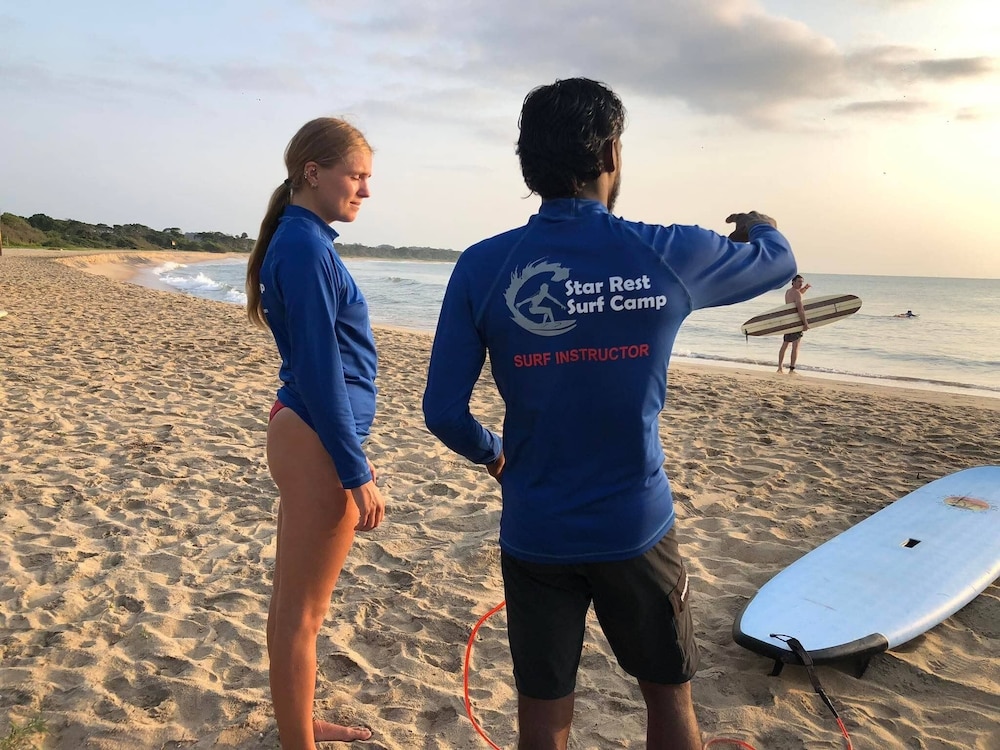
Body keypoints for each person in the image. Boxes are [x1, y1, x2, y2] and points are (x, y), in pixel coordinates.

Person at [422, 78, 797, 750]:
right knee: (668, 696)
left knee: (543, 717)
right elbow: (778, 263)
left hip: (536, 528)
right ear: (612, 154)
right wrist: (759, 224)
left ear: (527, 165)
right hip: (636, 526)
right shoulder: (667, 252)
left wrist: (494, 452)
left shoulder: (482, 266)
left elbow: (443, 411)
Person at [245, 117, 386, 749]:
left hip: (310, 432)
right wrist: (354, 469)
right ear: (313, 173)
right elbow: (321, 368)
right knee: (303, 613)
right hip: (315, 437)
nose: (365, 190)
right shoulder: (303, 248)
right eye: (356, 176)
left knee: (292, 605)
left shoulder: (306, 241)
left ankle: (297, 724)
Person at [776, 274, 811, 373]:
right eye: (799, 282)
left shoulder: (788, 292)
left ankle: (780, 367)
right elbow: (800, 310)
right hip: (796, 322)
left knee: (785, 344)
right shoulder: (797, 293)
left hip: (788, 321)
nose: (801, 284)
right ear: (793, 282)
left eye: (802, 282)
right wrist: (805, 324)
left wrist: (805, 288)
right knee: (795, 346)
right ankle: (792, 369)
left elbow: (797, 295)